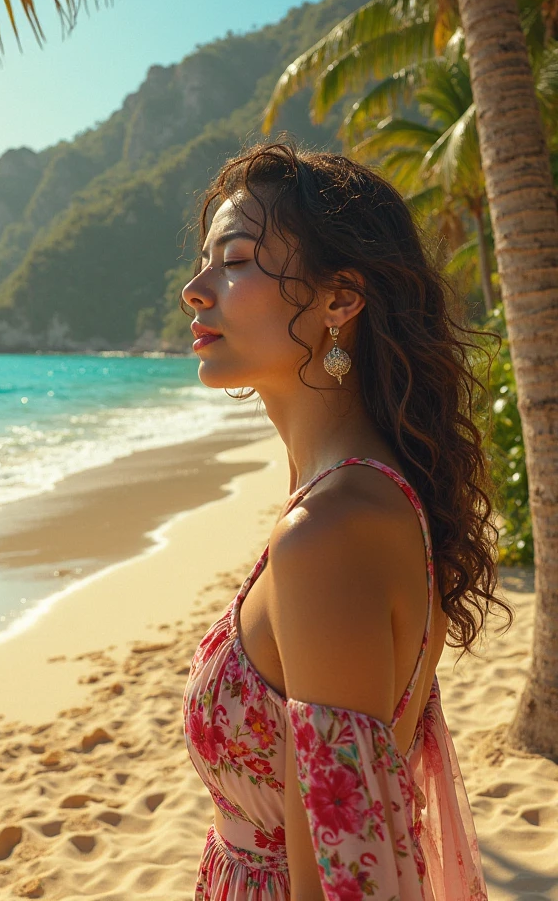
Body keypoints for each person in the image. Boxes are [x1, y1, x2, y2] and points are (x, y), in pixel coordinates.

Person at [180, 141, 513, 901]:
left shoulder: (327, 534)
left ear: (340, 300)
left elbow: (343, 876)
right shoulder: (361, 499)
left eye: (233, 260)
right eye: (205, 260)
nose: (196, 290)